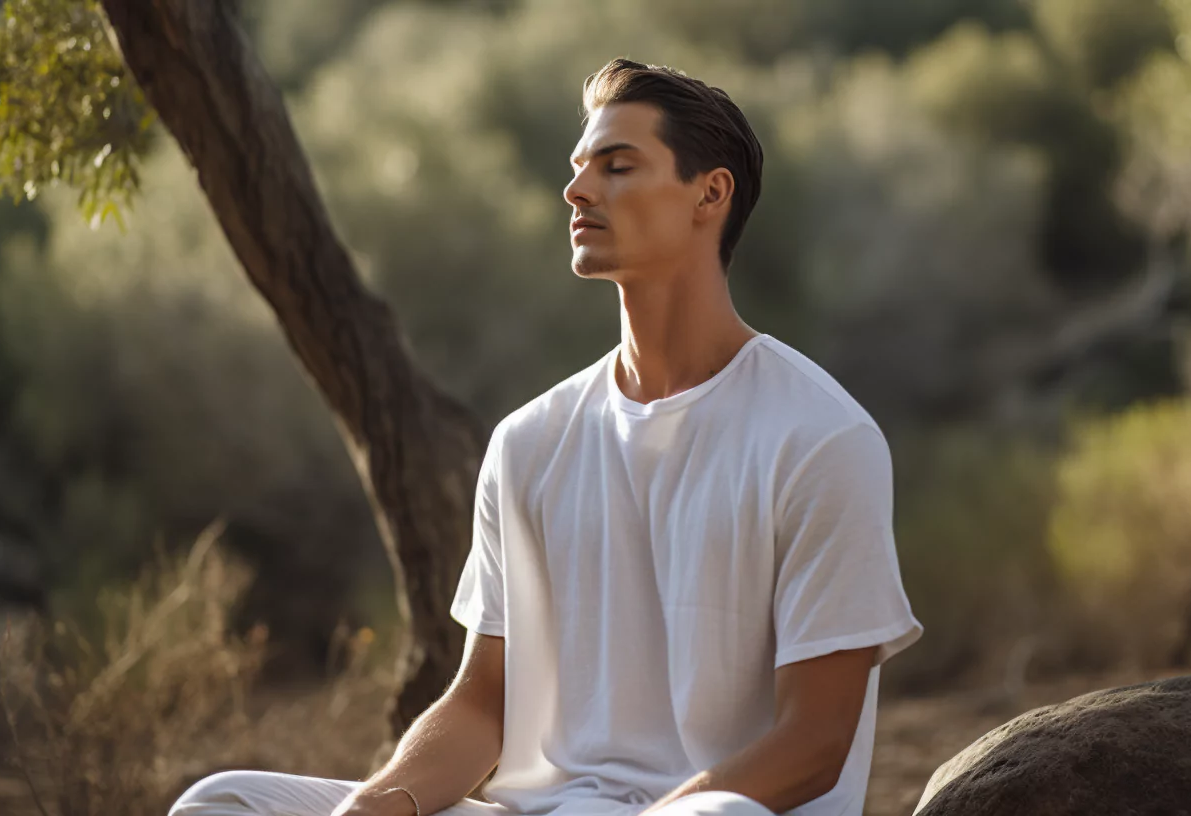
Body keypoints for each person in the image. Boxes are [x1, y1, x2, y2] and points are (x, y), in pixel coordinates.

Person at [169, 58, 922, 816]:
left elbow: (817, 741)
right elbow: (482, 703)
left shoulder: (819, 437)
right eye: (578, 167)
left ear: (710, 193)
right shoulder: (530, 441)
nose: (578, 190)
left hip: (714, 812)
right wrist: (376, 807)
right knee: (224, 802)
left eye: (618, 166)